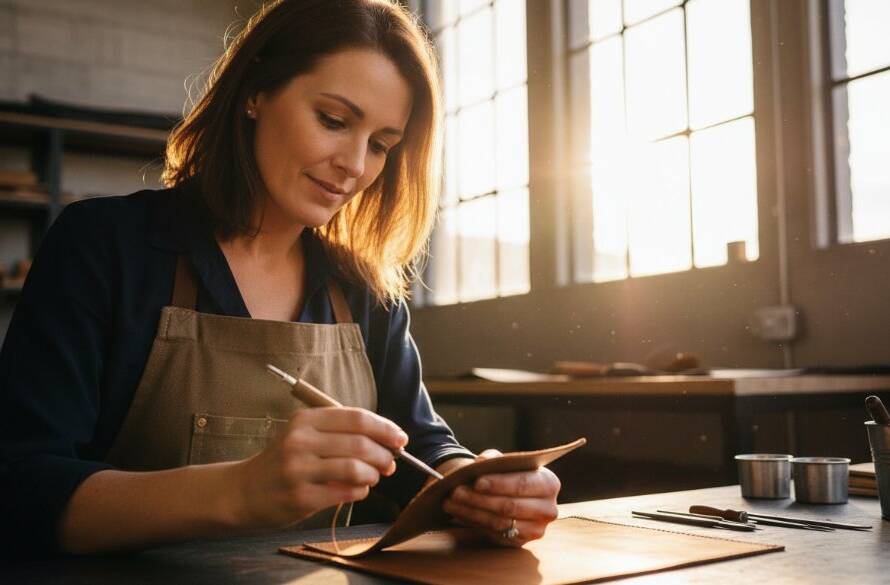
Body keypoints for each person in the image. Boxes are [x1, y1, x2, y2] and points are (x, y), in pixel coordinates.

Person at [0, 0, 560, 556]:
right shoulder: (104, 245)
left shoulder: (362, 288)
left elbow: (421, 447)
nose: (355, 165)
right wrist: (238, 491)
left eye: (381, 145)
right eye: (334, 121)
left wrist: (482, 487)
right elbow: (21, 488)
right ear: (255, 93)